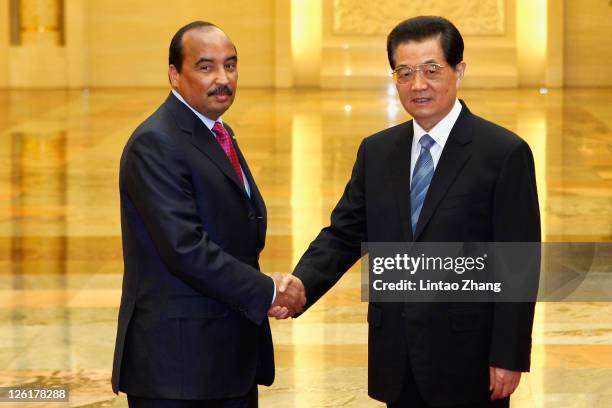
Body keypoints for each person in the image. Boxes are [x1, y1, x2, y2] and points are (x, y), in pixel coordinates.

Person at [275, 15, 540, 408]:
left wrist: (508, 355)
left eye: (432, 70)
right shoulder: (378, 151)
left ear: (459, 70)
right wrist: (301, 284)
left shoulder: (503, 153)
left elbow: (518, 263)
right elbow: (345, 233)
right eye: (405, 72)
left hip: (468, 358)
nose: (418, 85)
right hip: (395, 354)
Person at [111, 21, 304, 408]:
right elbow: (185, 248)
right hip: (179, 370)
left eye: (230, 66)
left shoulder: (218, 132)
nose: (223, 79)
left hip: (224, 359)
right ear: (174, 75)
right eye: (206, 67)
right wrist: (267, 291)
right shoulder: (156, 142)